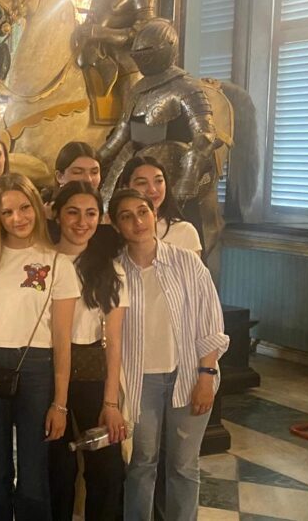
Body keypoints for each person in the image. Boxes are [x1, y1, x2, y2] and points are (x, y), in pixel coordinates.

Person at [0, 172, 79, 521]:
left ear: (37, 209)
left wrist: (61, 402)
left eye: (24, 208)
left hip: (38, 367)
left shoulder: (58, 264)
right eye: (7, 212)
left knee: (34, 470)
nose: (17, 218)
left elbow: (61, 340)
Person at [108, 188, 228, 520]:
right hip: (138, 382)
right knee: (141, 463)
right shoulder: (114, 271)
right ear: (116, 225)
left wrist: (206, 376)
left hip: (188, 376)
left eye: (143, 212)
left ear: (154, 214)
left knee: (184, 466)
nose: (137, 221)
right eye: (126, 216)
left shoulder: (185, 261)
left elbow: (211, 324)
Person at [47, 182, 127, 521]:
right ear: (56, 214)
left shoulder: (110, 270)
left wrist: (111, 403)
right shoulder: (41, 262)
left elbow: (116, 341)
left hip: (94, 372)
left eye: (91, 213)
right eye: (73, 212)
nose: (82, 222)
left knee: (107, 471)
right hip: (47, 373)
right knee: (56, 469)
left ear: (101, 218)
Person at [117, 156, 202, 254]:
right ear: (126, 187)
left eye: (159, 181)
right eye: (142, 183)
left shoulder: (184, 231)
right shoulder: (116, 230)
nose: (152, 189)